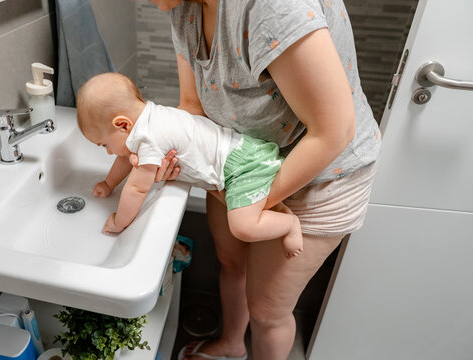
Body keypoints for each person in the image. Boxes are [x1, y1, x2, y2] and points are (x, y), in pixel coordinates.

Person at [140, 1, 381, 359]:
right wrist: (165, 144)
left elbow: (334, 131)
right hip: (238, 159)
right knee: (232, 261)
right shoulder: (183, 6)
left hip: (320, 173)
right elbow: (192, 104)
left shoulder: (274, 5)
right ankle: (233, 345)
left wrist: (249, 205)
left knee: (268, 312)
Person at [76, 72, 303, 258]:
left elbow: (137, 188)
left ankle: (289, 223)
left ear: (123, 125)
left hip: (241, 168)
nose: (108, 151)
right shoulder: (151, 119)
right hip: (240, 152)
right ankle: (279, 209)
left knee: (243, 227)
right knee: (253, 207)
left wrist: (119, 221)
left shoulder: (150, 139)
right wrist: (109, 183)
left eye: (104, 144)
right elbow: (125, 157)